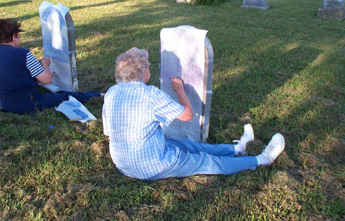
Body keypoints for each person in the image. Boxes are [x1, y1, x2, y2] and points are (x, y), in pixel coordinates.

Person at [102, 47, 285, 181]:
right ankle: (261, 159)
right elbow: (188, 115)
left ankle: (237, 149)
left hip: (123, 164)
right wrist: (180, 90)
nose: (150, 69)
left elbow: (109, 132)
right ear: (142, 72)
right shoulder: (149, 94)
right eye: (149, 66)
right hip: (151, 166)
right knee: (204, 161)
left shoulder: (111, 92)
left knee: (186, 145)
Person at [0, 18, 101, 114]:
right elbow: (46, 80)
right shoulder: (24, 54)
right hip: (24, 104)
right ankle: (97, 95)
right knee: (63, 96)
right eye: (18, 36)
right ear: (14, 37)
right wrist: (45, 65)